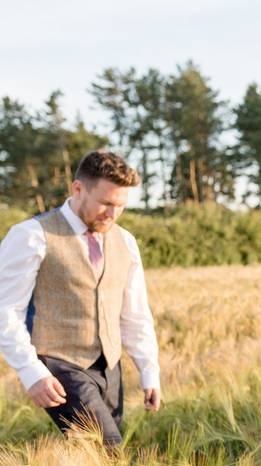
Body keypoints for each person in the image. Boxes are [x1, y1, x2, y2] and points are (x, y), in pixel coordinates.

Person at [0, 149, 161, 446]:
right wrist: (30, 371)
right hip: (59, 362)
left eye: (121, 206)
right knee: (107, 446)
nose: (113, 214)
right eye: (105, 203)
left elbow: (135, 314)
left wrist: (149, 371)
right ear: (78, 188)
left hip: (109, 366)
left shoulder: (126, 241)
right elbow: (6, 310)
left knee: (94, 454)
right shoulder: (31, 235)